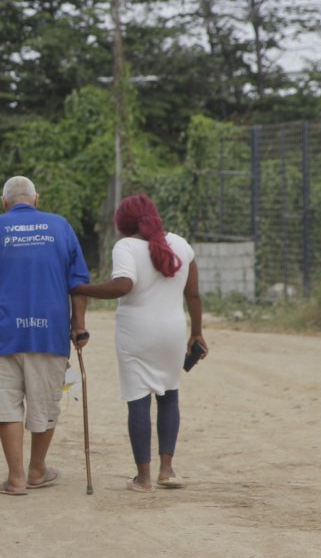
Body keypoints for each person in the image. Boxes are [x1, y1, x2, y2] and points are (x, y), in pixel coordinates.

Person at [0, 176, 90, 496]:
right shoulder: (60, 227)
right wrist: (78, 325)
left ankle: (15, 478)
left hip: (2, 333)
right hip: (49, 332)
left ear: (5, 203)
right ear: (36, 199)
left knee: (6, 405)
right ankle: (37, 469)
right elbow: (79, 284)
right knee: (45, 404)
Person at [70, 193, 207, 492]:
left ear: (123, 223)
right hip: (172, 330)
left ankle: (143, 478)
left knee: (138, 401)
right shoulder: (181, 245)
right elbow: (193, 295)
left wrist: (81, 287)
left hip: (136, 332)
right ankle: (167, 471)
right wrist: (197, 332)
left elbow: (123, 285)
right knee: (169, 396)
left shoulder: (125, 247)